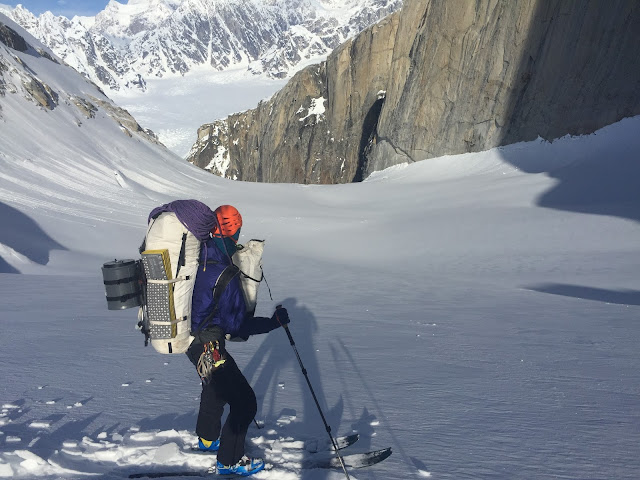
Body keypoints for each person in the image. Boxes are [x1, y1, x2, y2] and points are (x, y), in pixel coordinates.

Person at [186, 204, 289, 477]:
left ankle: (208, 439)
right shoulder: (224, 272)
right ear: (235, 232)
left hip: (189, 341)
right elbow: (237, 326)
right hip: (209, 346)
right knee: (245, 402)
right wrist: (272, 323)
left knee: (216, 389)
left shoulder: (198, 254)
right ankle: (229, 461)